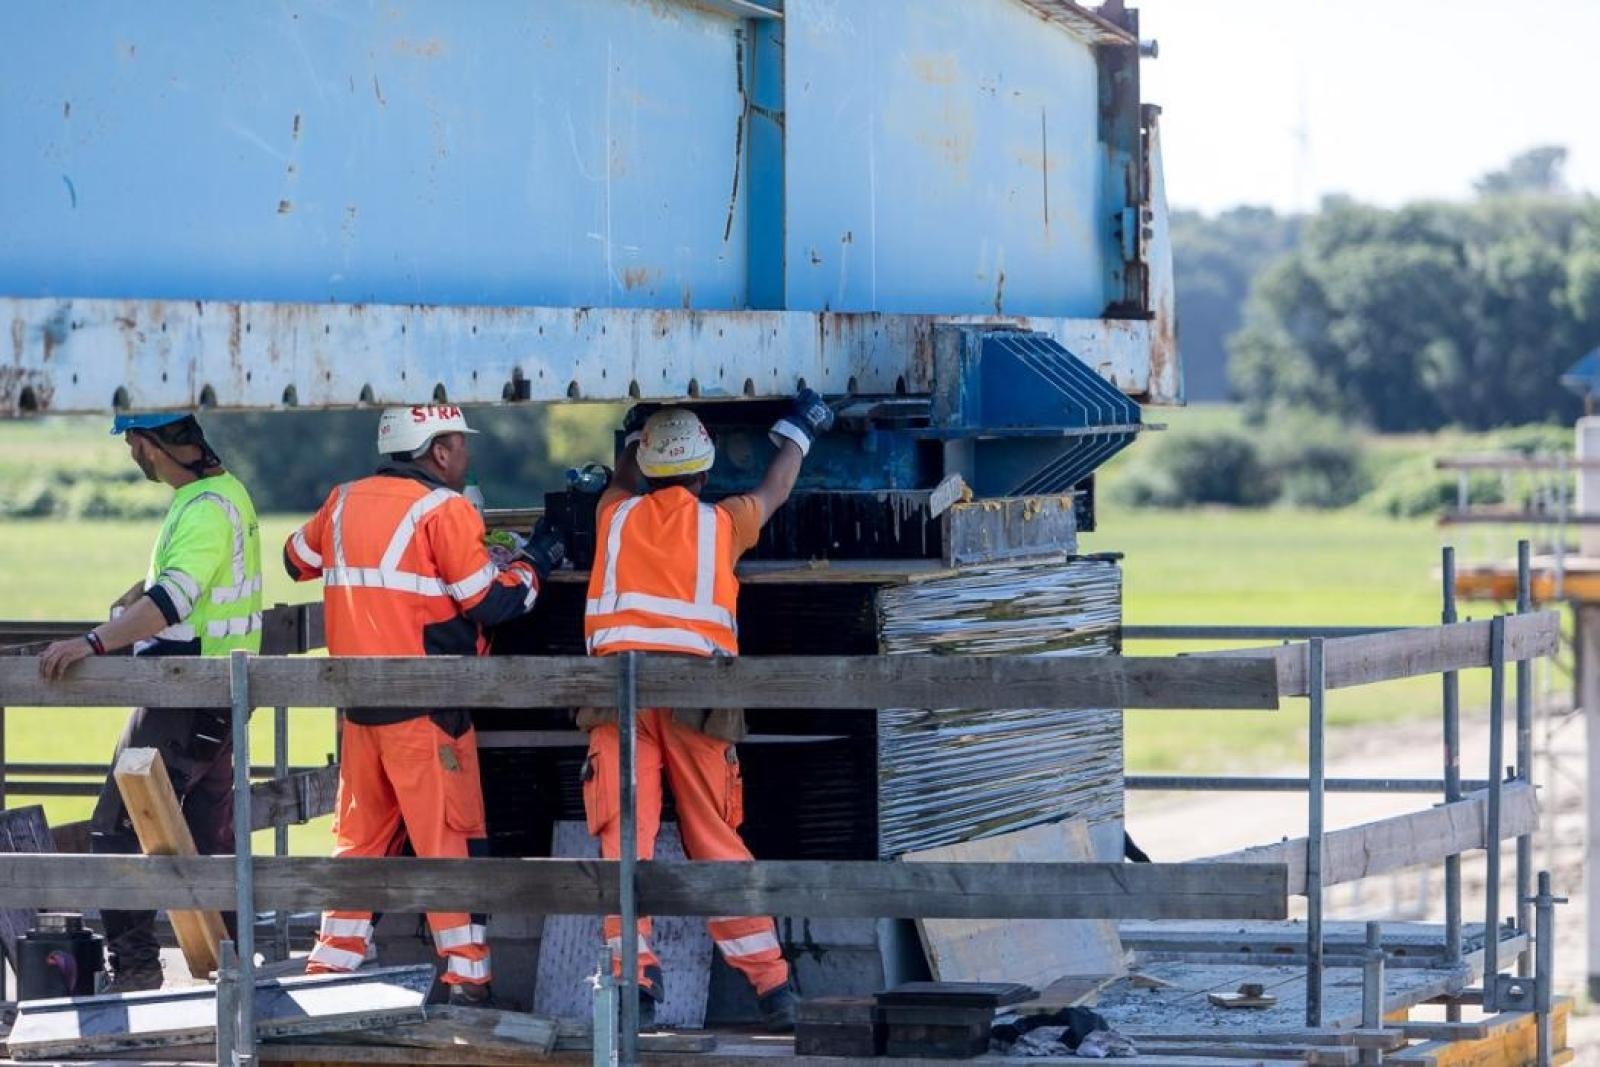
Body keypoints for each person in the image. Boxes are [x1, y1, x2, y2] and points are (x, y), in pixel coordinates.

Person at [282, 404, 565, 1006]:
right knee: (449, 841)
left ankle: (330, 971)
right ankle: (467, 980)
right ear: (438, 452)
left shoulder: (343, 498)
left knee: (357, 841)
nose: (466, 456)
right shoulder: (446, 509)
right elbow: (490, 603)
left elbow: (295, 560)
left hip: (359, 707)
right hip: (427, 707)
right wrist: (535, 563)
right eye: (460, 445)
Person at [579, 391, 835, 1032]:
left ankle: (632, 982)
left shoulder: (611, 517)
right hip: (699, 696)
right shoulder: (724, 523)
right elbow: (775, 489)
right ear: (703, 471)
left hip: (618, 693)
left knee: (622, 838)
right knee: (716, 839)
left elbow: (621, 480)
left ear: (643, 466)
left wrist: (634, 434)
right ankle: (774, 991)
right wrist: (800, 430)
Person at [39, 413, 263, 993]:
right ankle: (234, 963)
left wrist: (92, 642)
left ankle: (135, 970)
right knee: (205, 831)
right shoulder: (221, 494)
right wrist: (136, 601)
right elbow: (188, 586)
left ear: (146, 444)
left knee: (115, 827)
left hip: (181, 693)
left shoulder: (204, 508)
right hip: (218, 693)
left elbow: (174, 599)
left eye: (131, 445)